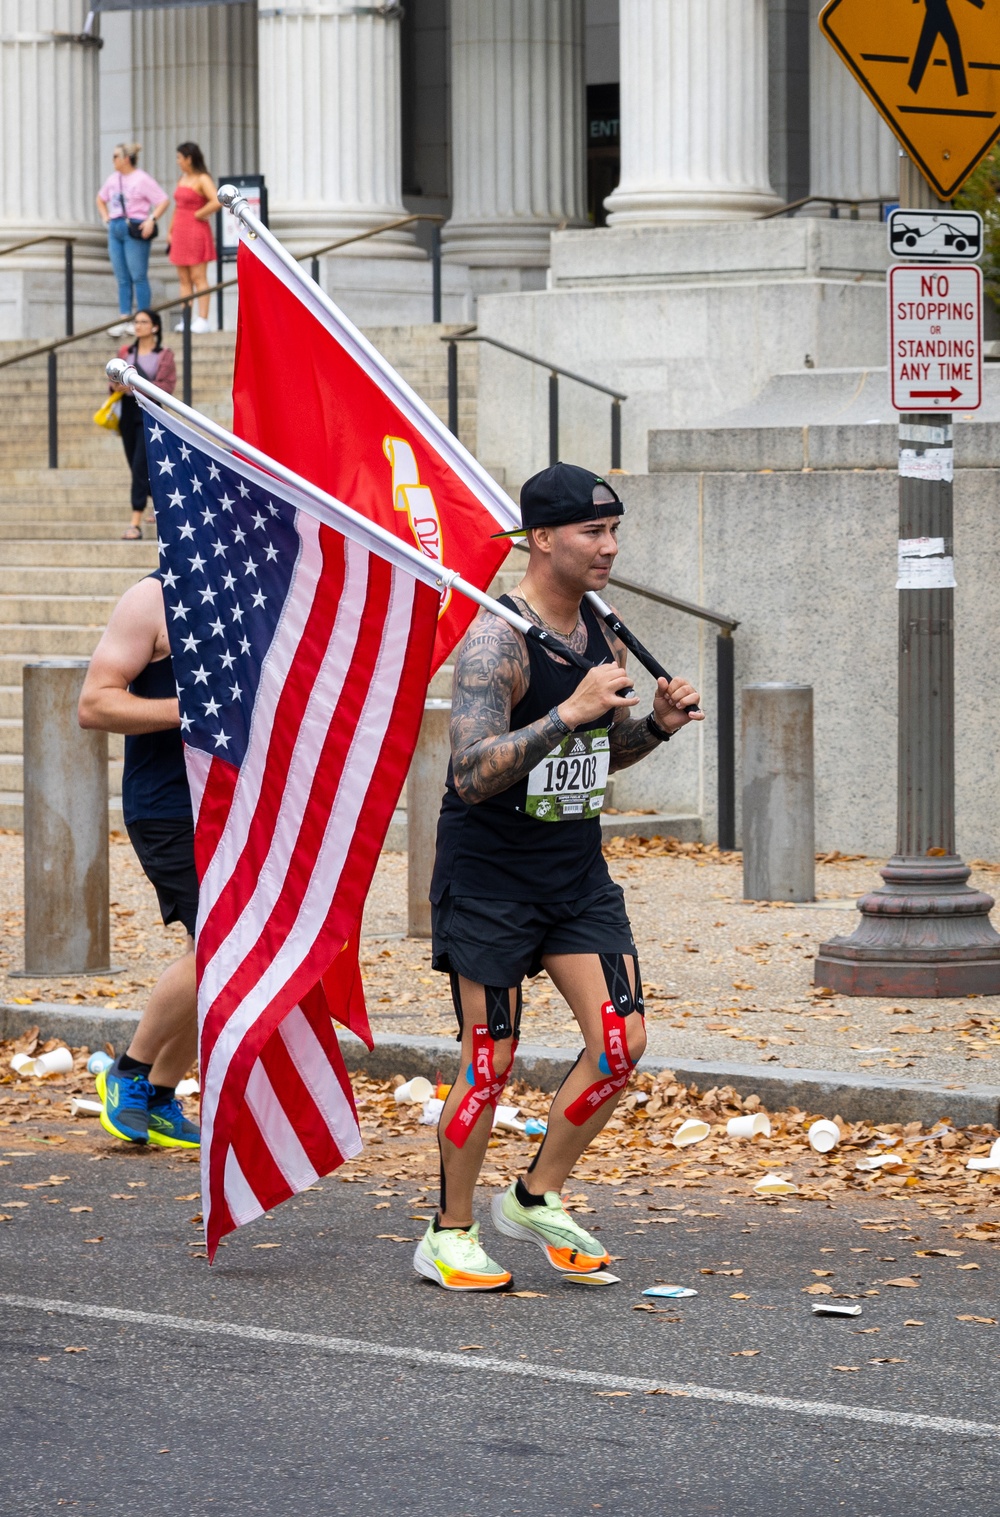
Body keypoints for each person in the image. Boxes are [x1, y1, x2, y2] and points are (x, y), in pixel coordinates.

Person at [414, 463, 702, 1292]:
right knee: (490, 1057)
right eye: (591, 532)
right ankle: (449, 1231)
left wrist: (654, 724)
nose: (609, 547)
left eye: (613, 531)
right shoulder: (496, 638)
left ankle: (535, 1193)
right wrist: (567, 710)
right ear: (542, 539)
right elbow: (470, 770)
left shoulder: (600, 632)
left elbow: (591, 758)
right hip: (491, 879)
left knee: (621, 1043)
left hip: (574, 872)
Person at [78, 573, 200, 1150]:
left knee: (228, 957)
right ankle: (128, 1071)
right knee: (221, 945)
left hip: (236, 805)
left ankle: (157, 1095)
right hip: (169, 807)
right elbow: (94, 703)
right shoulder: (151, 598)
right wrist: (192, 710)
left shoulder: (254, 584)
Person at [109, 309, 177, 540]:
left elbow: (166, 386)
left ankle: (135, 523)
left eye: (143, 322)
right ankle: (158, 502)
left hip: (149, 411)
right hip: (128, 412)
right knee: (134, 463)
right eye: (136, 322)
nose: (138, 326)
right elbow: (113, 381)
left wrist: (136, 385)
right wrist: (117, 386)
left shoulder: (164, 354)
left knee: (139, 465)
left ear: (155, 327)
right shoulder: (126, 352)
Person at [96, 144, 169, 335]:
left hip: (135, 226)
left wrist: (151, 220)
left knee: (138, 275)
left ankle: (143, 318)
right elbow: (100, 198)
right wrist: (106, 217)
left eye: (115, 156)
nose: (113, 161)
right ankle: (125, 317)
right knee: (122, 276)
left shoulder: (142, 179)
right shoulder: (113, 179)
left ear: (126, 158)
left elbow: (163, 200)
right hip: (116, 226)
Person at [167, 142, 220, 334]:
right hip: (181, 230)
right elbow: (176, 206)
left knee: (198, 276)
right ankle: (186, 317)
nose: (178, 161)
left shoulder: (202, 178)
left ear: (189, 158)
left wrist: (199, 213)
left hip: (196, 230)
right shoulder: (183, 178)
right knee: (184, 278)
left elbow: (216, 200)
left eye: (180, 157)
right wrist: (170, 231)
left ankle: (203, 318)